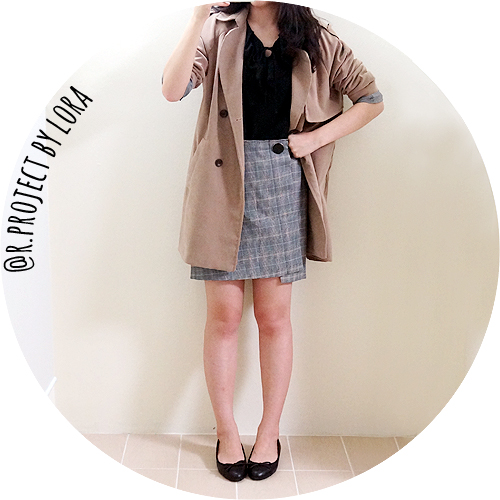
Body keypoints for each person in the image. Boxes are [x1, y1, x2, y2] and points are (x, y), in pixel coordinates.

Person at [162, 1, 383, 482]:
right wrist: (197, 17)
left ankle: (268, 433)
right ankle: (226, 431)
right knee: (223, 317)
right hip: (221, 183)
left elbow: (371, 99)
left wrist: (314, 139)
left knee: (274, 318)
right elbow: (172, 89)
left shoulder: (316, 36)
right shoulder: (218, 30)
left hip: (282, 181)